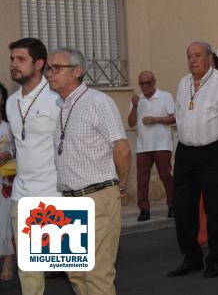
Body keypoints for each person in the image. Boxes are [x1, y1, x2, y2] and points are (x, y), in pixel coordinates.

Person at [46, 48, 131, 295]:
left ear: (77, 71)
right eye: (48, 68)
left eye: (56, 68)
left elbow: (123, 149)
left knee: (96, 273)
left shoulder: (98, 102)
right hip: (68, 200)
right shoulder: (60, 106)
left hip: (96, 197)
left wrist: (121, 186)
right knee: (75, 272)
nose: (50, 74)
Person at [168, 42, 218, 279]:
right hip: (185, 153)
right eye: (189, 55)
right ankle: (192, 258)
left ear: (209, 58)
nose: (192, 60)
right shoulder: (183, 83)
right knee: (182, 208)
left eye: (197, 55)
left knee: (216, 209)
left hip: (214, 151)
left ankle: (215, 260)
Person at [6, 38, 60, 295]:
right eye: (12, 59)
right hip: (22, 196)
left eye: (20, 59)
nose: (14, 64)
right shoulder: (11, 102)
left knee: (74, 271)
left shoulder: (57, 99)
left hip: (56, 195)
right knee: (28, 272)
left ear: (39, 63)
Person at [127, 71, 175, 222]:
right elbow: (131, 123)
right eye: (142, 83)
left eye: (148, 83)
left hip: (162, 144)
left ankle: (172, 206)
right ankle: (144, 210)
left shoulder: (165, 96)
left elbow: (174, 118)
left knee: (166, 176)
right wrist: (134, 106)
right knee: (142, 180)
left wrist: (156, 119)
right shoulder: (137, 99)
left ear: (154, 82)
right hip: (143, 146)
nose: (145, 86)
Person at [0, 82, 15, 282]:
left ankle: (8, 261)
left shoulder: (10, 124)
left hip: (5, 180)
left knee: (6, 221)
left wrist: (8, 153)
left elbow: (22, 148)